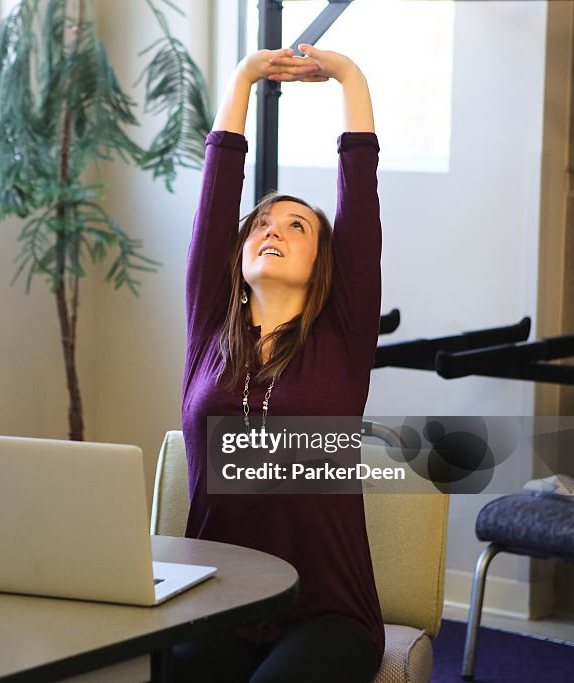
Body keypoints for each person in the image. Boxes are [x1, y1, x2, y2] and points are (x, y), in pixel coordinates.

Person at [175, 45, 384, 682]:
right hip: (217, 600)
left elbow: (359, 197)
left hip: (325, 613)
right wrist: (242, 77)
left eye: (297, 225)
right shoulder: (209, 330)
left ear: (324, 265)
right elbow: (216, 199)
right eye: (262, 222)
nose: (273, 229)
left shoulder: (341, 341)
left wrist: (350, 76)